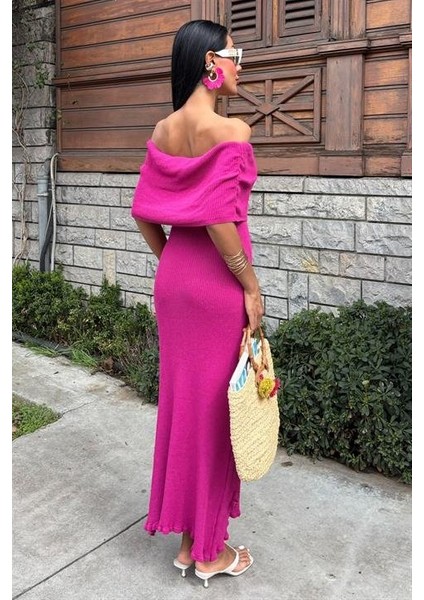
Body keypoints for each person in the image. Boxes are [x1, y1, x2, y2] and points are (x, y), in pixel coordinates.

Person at [131, 19, 264, 588]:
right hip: (215, 286)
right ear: (211, 62)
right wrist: (250, 286)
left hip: (177, 283)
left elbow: (142, 211)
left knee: (185, 407)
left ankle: (189, 541)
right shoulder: (231, 129)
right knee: (215, 414)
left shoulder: (163, 130)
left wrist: (171, 261)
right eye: (236, 54)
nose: (241, 65)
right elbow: (217, 219)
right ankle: (209, 551)